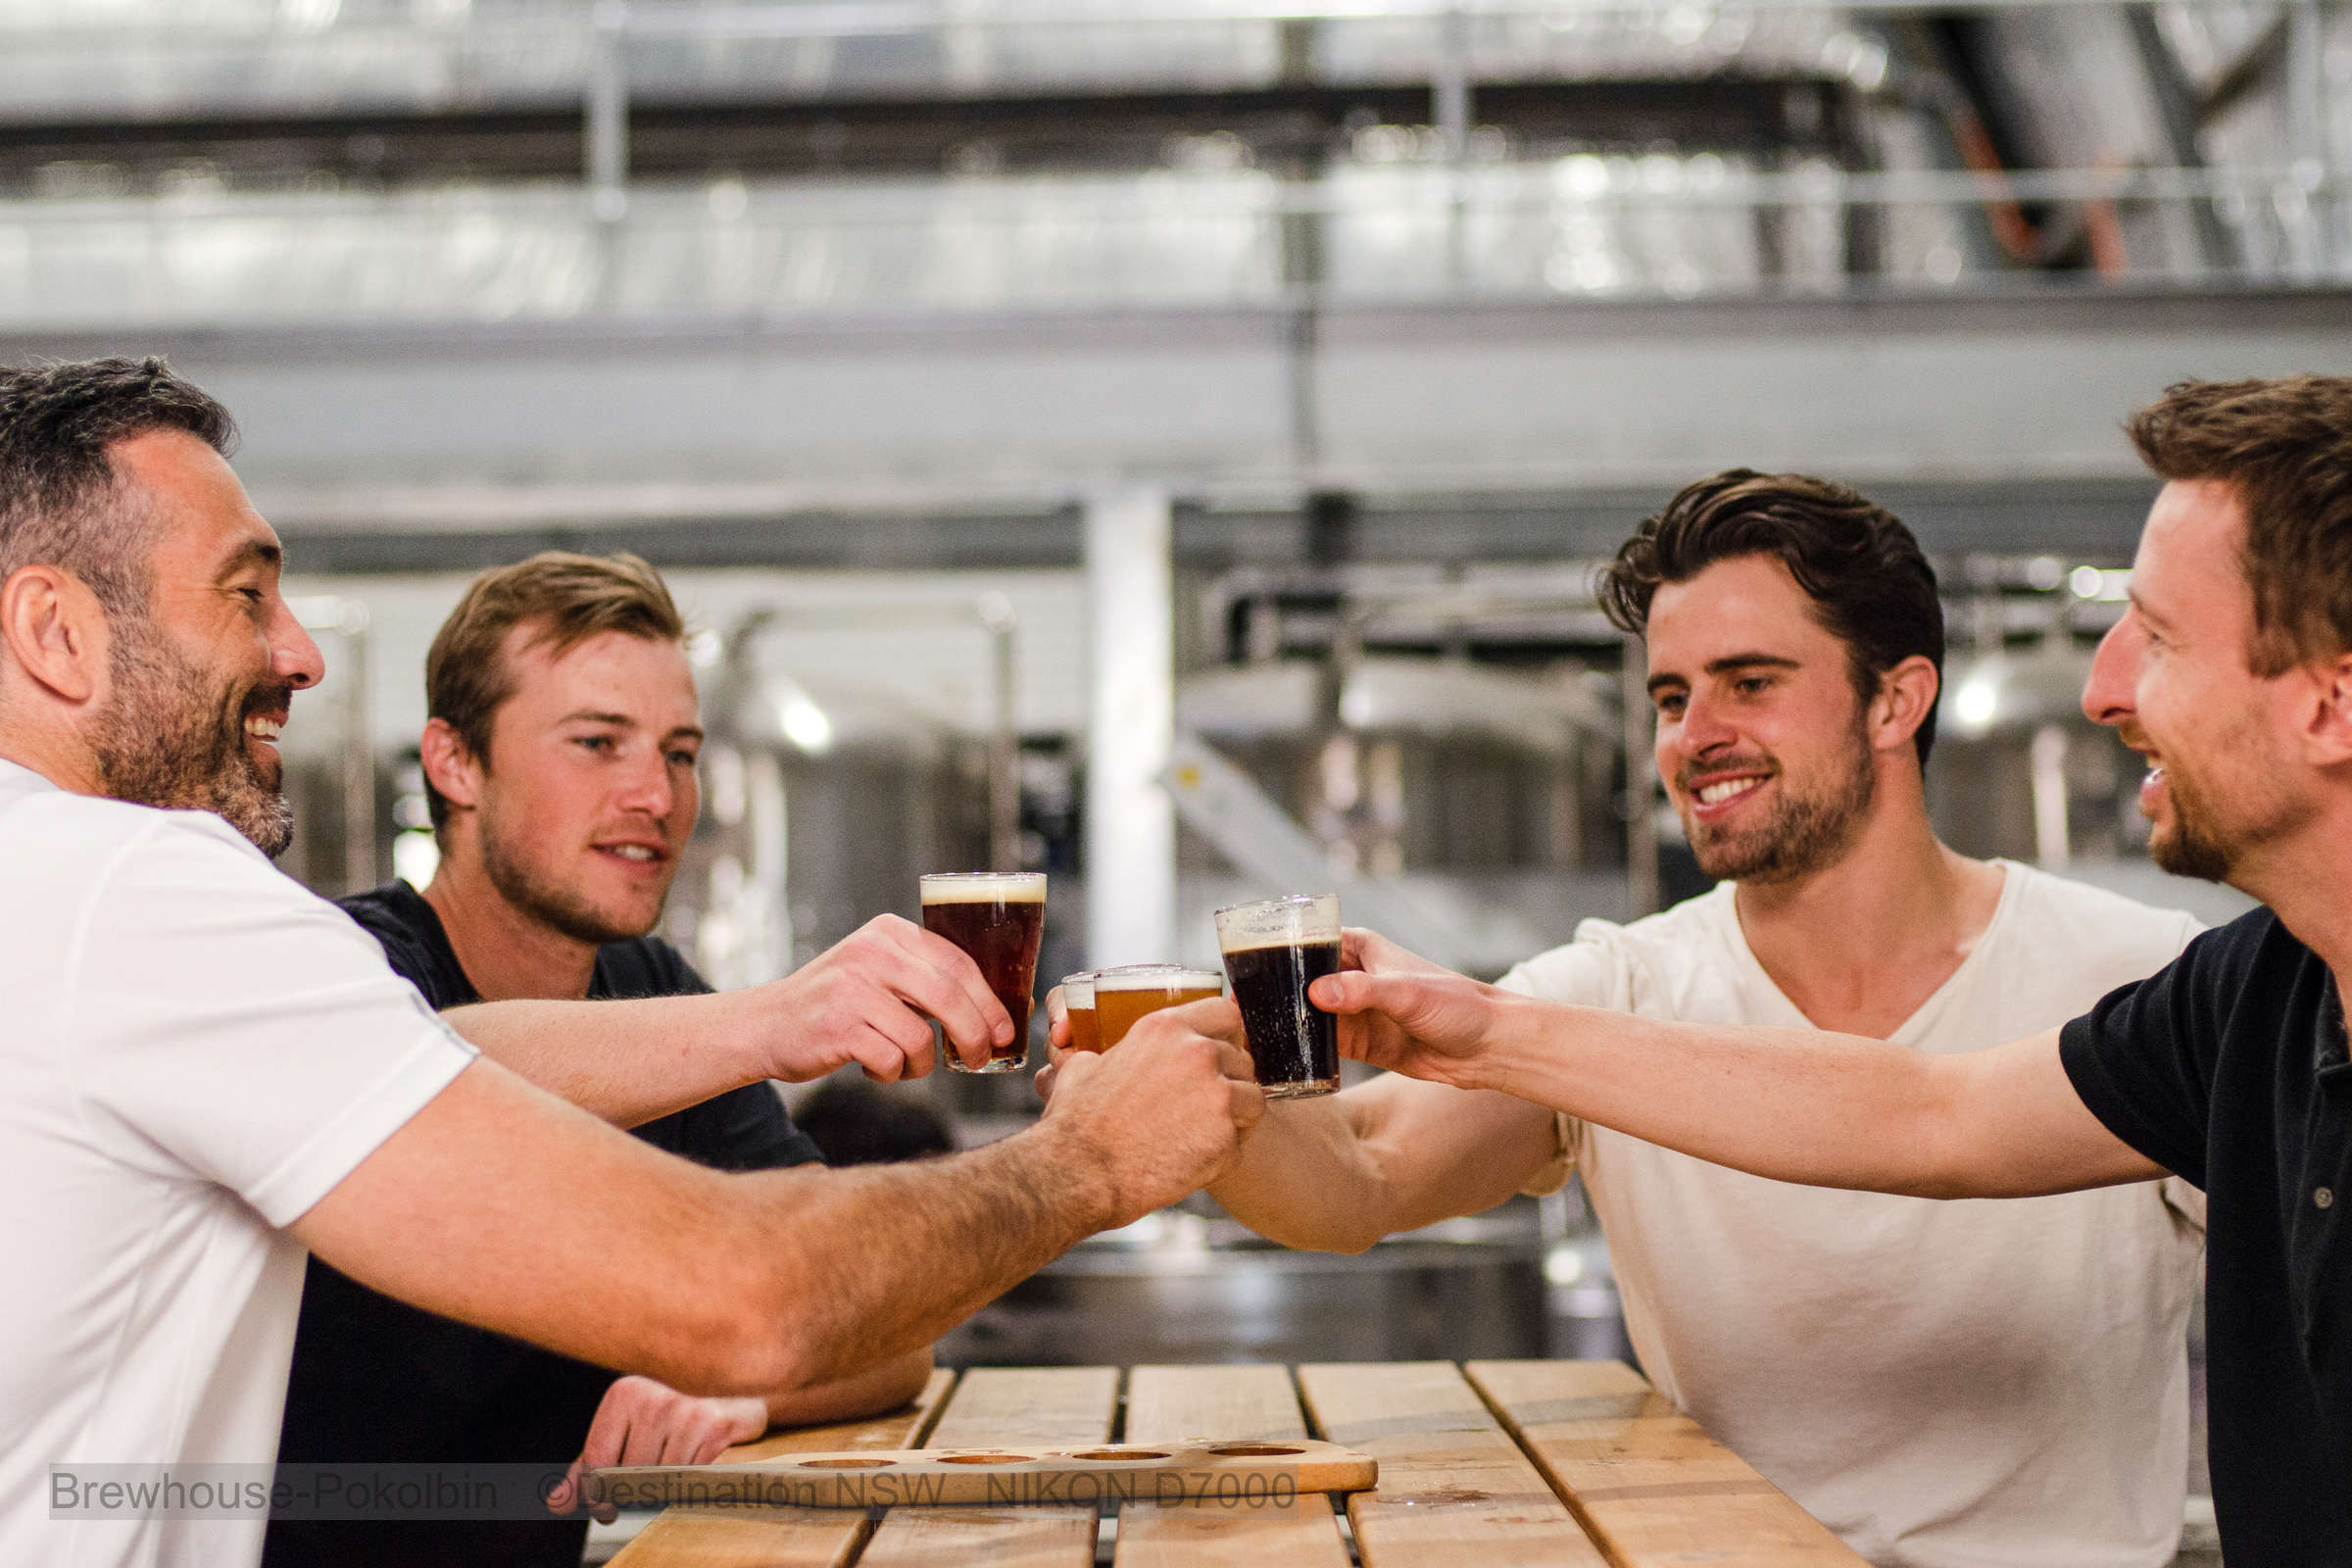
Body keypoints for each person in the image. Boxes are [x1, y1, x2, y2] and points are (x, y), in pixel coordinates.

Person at [0, 356, 1261, 1568]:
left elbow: (434, 1053)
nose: (305, 653)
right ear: (53, 630)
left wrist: (770, 1025)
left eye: (676, 748)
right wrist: (1088, 1161)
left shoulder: (68, 893)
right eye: (244, 592)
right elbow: (751, 1293)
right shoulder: (145, 892)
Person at [1304, 377, 2352, 1564]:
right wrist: (1466, 1034)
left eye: (2157, 638)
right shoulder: (2243, 1002)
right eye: (1670, 696)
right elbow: (1927, 1114)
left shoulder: (2139, 964)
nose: (2105, 690)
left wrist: (1487, 1028)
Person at [1077, 471, 2207, 1567]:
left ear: (1895, 699)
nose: (1692, 735)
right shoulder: (1616, 992)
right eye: (1671, 696)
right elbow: (1365, 1168)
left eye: (1750, 682)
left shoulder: (2137, 976)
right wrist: (1192, 1101)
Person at [265, 553, 940, 1568]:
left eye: (679, 751)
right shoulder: (340, 972)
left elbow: (886, 1329)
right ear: (454, 764)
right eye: (596, 743)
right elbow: (429, 1070)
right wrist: (771, 1018)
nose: (655, 796)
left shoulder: (651, 985)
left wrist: (744, 1385)